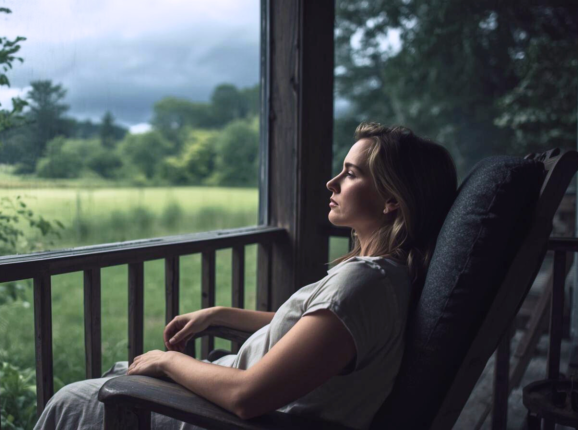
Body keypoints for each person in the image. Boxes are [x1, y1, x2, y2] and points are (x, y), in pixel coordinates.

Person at [34, 122, 458, 430]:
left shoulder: (364, 285)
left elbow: (247, 397)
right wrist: (221, 313)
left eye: (350, 173)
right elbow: (310, 335)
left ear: (391, 201)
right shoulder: (382, 278)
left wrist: (169, 362)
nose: (331, 182)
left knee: (70, 401)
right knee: (116, 373)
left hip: (226, 418)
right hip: (231, 401)